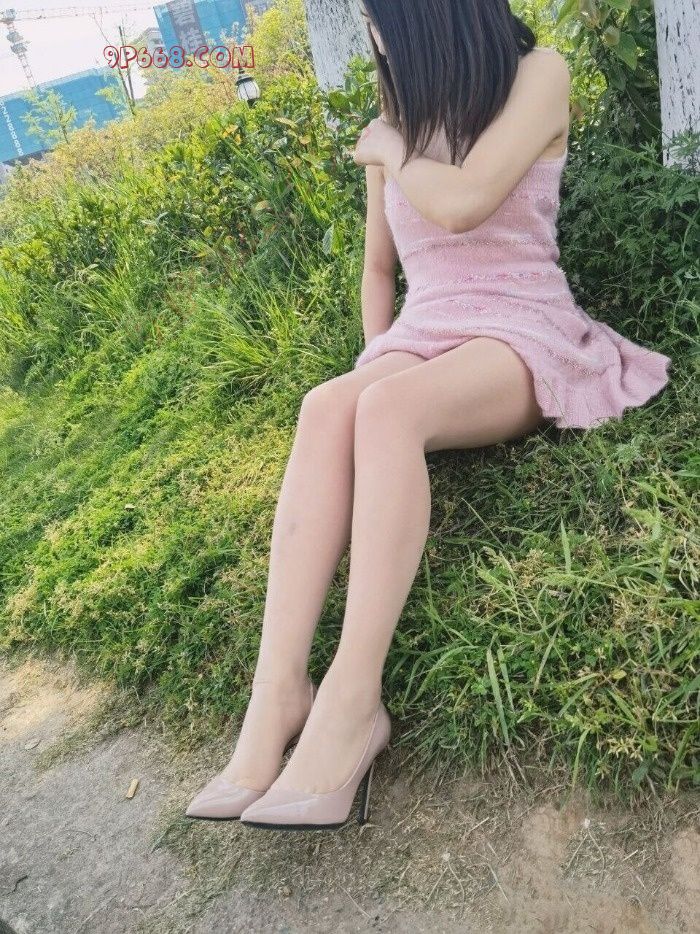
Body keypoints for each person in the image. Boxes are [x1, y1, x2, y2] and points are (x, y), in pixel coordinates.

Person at [186, 0, 670, 831]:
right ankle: (278, 692)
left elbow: (463, 203)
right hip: (427, 328)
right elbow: (380, 269)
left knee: (387, 413)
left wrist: (390, 148)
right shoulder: (397, 117)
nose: (374, 38)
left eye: (377, 20)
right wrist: (377, 354)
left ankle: (352, 702)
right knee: (328, 406)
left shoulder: (538, 75)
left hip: (520, 327)